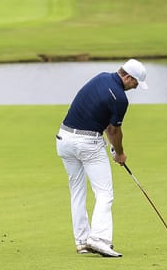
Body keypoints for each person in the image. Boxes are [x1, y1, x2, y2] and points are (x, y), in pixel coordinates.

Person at [55, 59, 148, 258]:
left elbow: (102, 119)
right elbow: (114, 130)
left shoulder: (100, 78)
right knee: (105, 193)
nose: (136, 86)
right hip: (87, 144)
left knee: (77, 192)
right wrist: (120, 152)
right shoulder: (121, 99)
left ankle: (82, 240)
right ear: (128, 77)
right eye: (136, 83)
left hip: (64, 139)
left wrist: (113, 149)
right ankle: (99, 239)